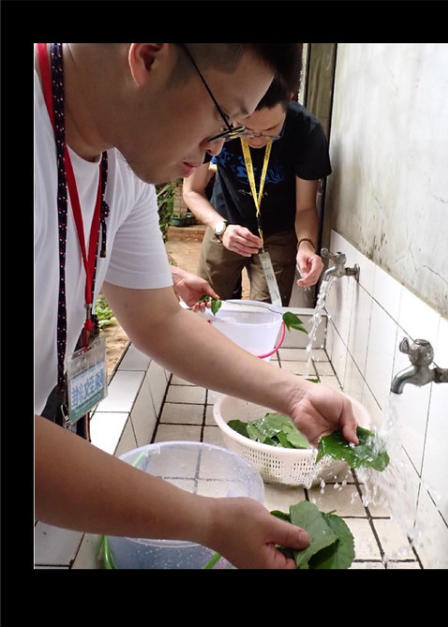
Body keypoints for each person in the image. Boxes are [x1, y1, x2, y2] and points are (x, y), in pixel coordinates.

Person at [34, 43, 360, 569]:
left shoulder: (123, 160)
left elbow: (159, 318)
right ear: (150, 55)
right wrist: (207, 522)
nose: (214, 152)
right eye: (225, 119)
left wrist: (295, 396)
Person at [182, 76, 330, 306]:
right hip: (224, 222)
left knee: (266, 314)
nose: (257, 140)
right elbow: (192, 191)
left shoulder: (306, 131)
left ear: (290, 99)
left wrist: (306, 245)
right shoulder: (215, 125)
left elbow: (306, 207)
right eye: (246, 130)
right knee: (206, 306)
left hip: (279, 233)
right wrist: (222, 228)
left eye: (271, 130)